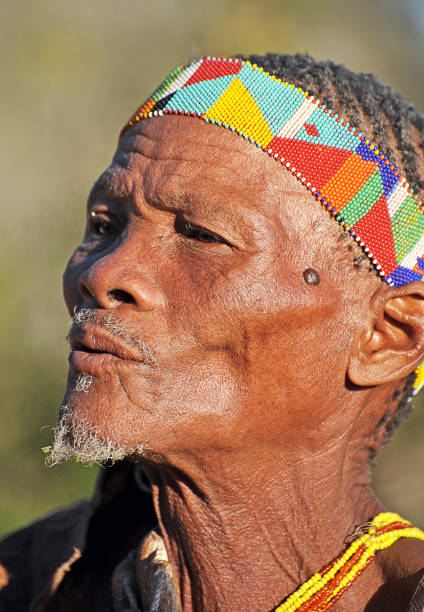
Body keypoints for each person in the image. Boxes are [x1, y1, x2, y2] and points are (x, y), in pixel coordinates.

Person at [1, 52, 424, 612]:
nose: (102, 276)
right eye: (104, 225)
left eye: (201, 235)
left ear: (386, 336)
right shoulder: (28, 580)